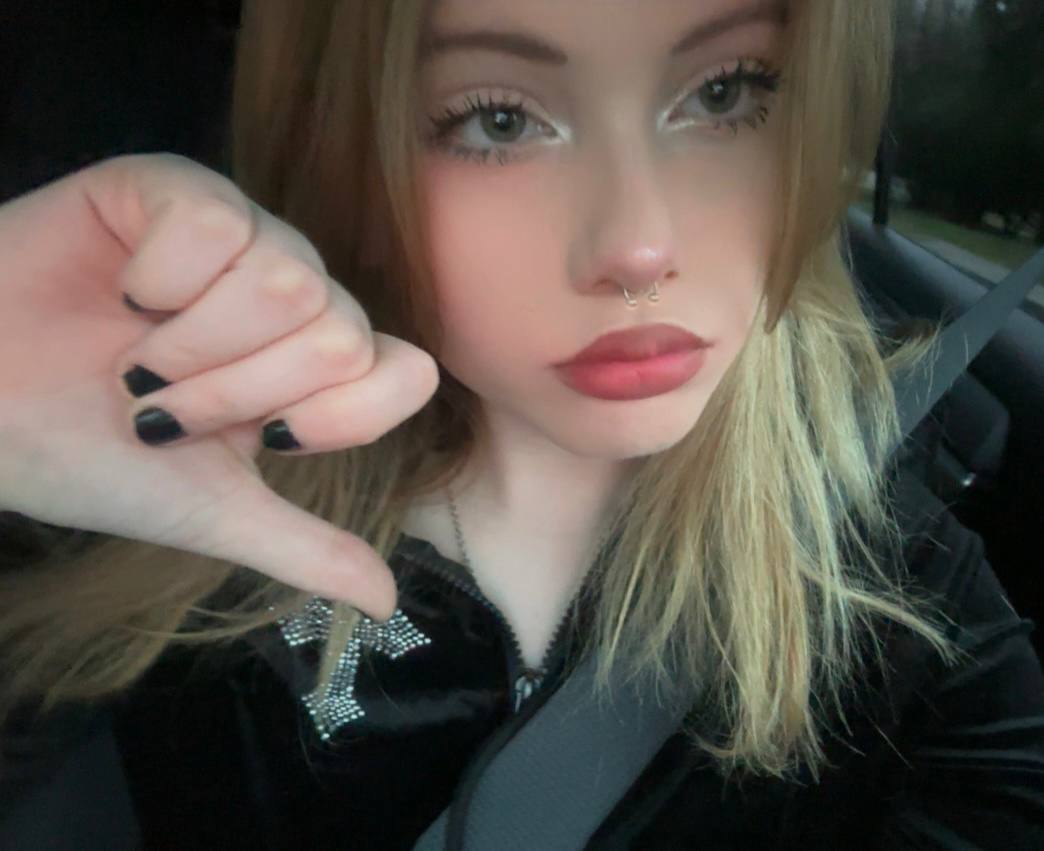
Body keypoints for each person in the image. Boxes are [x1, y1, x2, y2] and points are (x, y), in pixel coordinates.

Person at [1, 0, 1042, 848]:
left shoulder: (896, 584)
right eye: (498, 119)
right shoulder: (184, 539)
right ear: (349, 165)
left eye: (726, 93)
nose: (639, 247)